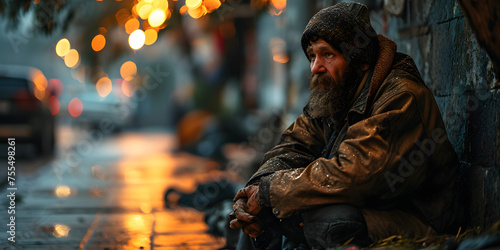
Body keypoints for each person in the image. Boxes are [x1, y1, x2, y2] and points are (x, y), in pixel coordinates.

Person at [229, 2, 463, 249]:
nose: (315, 67)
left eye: (327, 54)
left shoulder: (401, 97)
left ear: (360, 59)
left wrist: (271, 191)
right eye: (312, 56)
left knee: (327, 222)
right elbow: (291, 146)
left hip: (417, 218)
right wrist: (256, 189)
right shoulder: (334, 93)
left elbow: (356, 173)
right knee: (260, 216)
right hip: (366, 206)